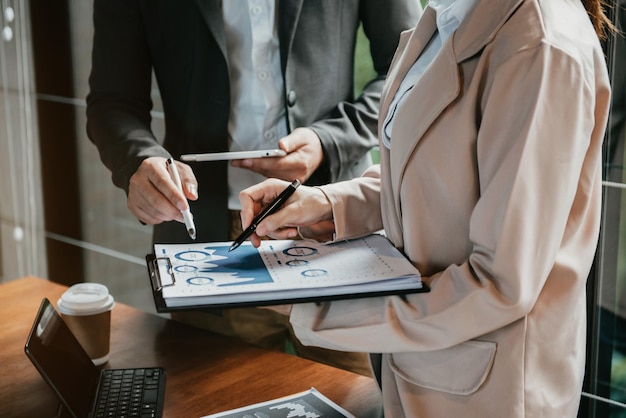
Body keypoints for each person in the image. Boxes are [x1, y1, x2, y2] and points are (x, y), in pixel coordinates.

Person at [239, 0, 614, 414]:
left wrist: (317, 308)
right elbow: (435, 171)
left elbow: (500, 285)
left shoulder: (542, 48)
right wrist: (328, 203)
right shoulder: (448, 14)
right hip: (422, 369)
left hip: (489, 391)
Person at [85, 0, 420, 376]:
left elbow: (412, 69)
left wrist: (328, 141)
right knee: (215, 398)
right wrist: (138, 161)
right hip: (209, 241)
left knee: (358, 398)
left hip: (335, 226)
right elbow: (112, 102)